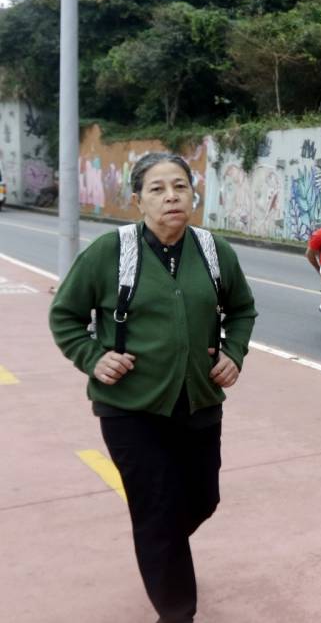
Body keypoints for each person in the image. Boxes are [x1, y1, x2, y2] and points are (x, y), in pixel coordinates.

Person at [48, 152, 257, 623]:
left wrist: (233, 353)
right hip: (129, 408)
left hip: (199, 401)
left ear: (193, 195)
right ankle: (176, 609)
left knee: (203, 500)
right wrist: (93, 357)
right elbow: (64, 315)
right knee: (158, 510)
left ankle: (159, 545)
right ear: (137, 200)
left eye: (180, 186)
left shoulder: (213, 250)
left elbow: (242, 310)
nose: (171, 197)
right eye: (158, 189)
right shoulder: (109, 252)